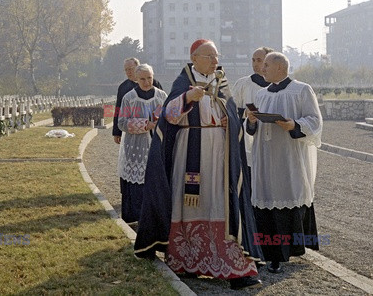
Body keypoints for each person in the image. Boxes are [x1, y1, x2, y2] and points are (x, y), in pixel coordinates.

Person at [134, 39, 264, 290]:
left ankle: (235, 268)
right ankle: (186, 260)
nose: (216, 61)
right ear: (195, 57)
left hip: (219, 154)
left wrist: (230, 123)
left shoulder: (221, 82)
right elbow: (169, 116)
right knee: (189, 204)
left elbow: (232, 115)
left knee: (220, 202)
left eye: (217, 56)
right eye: (210, 56)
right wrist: (187, 98)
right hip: (189, 149)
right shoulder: (183, 82)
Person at [246, 52, 323, 274]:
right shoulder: (261, 94)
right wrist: (251, 121)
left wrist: (294, 125)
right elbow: (250, 129)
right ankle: (266, 253)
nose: (262, 68)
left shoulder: (301, 90)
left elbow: (315, 121)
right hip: (264, 156)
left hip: (289, 156)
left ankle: (282, 254)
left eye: (267, 65)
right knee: (265, 199)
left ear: (281, 68)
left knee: (288, 195)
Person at [117, 64, 167, 224]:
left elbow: (171, 118)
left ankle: (156, 218)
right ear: (136, 79)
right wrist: (145, 125)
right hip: (135, 147)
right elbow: (122, 123)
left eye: (149, 78)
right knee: (137, 186)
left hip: (157, 146)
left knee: (156, 182)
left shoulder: (162, 96)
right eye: (143, 79)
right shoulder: (128, 98)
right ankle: (136, 218)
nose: (146, 82)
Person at [232, 47, 273, 186]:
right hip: (247, 140)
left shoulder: (278, 85)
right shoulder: (242, 84)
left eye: (259, 60)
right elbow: (231, 110)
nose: (255, 63)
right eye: (253, 60)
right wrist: (246, 114)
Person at [112, 58, 163, 144]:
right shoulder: (123, 87)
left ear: (138, 67)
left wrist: (155, 119)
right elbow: (118, 109)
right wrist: (116, 132)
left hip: (153, 129)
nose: (128, 72)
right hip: (132, 131)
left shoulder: (154, 84)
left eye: (131, 69)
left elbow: (162, 104)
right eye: (126, 70)